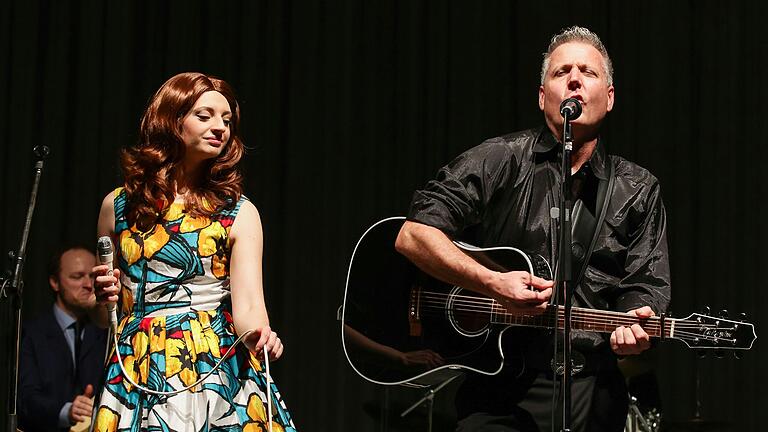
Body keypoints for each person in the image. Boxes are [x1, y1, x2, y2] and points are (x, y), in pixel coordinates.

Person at [395, 26, 670, 432]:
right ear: (543, 97)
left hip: (591, 386)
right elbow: (412, 235)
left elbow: (647, 285)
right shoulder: (501, 159)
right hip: (499, 384)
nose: (574, 79)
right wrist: (491, 282)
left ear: (609, 98)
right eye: (562, 72)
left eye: (588, 72)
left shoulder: (638, 188)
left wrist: (635, 325)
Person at [91, 72, 296, 431]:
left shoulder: (238, 212)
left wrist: (260, 336)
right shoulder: (118, 206)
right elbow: (103, 317)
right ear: (171, 121)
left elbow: (249, 308)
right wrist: (102, 298)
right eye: (205, 116)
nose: (220, 127)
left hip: (209, 361)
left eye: (227, 120)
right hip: (135, 360)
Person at [18, 246, 108, 432]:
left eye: (92, 277)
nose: (88, 285)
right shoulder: (30, 333)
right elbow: (24, 396)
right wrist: (66, 411)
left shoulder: (107, 332)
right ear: (54, 282)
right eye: (77, 276)